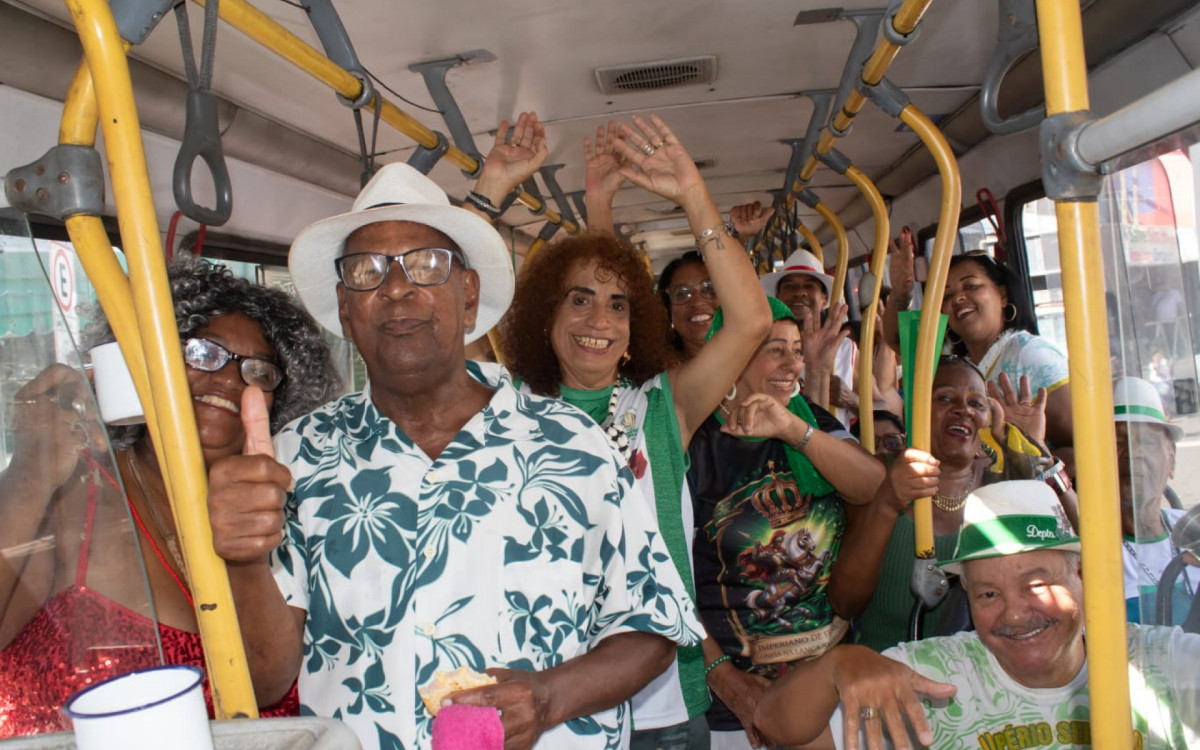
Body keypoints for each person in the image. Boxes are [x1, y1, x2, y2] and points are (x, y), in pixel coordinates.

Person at [206, 160, 702, 750]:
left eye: (426, 265)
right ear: (344, 309)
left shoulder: (575, 445)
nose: (395, 288)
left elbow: (651, 629)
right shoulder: (297, 458)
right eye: (366, 271)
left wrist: (547, 699)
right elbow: (266, 681)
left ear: (468, 298)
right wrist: (241, 561)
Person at [501, 115, 771, 749]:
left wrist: (692, 197)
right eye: (579, 301)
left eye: (620, 305)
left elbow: (751, 321)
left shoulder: (660, 409)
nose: (600, 319)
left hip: (662, 708)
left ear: (636, 328)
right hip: (550, 703)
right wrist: (582, 204)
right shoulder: (510, 415)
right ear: (546, 316)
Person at [0, 256, 340, 736]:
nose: (229, 377)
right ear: (146, 364)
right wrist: (30, 473)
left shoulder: (280, 507)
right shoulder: (76, 491)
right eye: (203, 353)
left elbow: (266, 683)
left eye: (259, 372)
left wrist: (247, 559)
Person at [754, 480, 1200, 750]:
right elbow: (776, 725)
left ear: (1080, 574)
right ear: (965, 595)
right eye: (988, 593)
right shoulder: (930, 678)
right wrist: (838, 665)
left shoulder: (1160, 664)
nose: (1016, 614)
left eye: (1036, 584)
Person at [687, 297, 887, 749]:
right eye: (774, 349)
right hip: (738, 698)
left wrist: (791, 431)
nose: (793, 363)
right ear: (734, 354)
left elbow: (874, 487)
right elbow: (666, 579)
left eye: (797, 350)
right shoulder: (695, 443)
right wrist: (725, 679)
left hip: (830, 686)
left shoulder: (811, 423)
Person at [830, 357, 1074, 652]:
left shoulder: (1005, 480)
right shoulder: (876, 475)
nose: (964, 410)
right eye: (945, 398)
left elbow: (1092, 559)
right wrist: (886, 503)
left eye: (977, 404)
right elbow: (844, 602)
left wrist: (1037, 454)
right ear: (913, 411)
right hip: (887, 674)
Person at [885, 236, 1073, 454]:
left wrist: (1030, 460)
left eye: (971, 286)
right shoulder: (956, 363)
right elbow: (898, 341)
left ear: (1003, 296)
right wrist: (900, 293)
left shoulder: (1029, 354)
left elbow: (1080, 449)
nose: (958, 299)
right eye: (947, 295)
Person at [1113, 376, 1196, 626]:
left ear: (1171, 458)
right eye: (1116, 443)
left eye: (1147, 442)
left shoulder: (1193, 531)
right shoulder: (1085, 551)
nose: (1132, 454)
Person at [760, 248, 857, 426]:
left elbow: (883, 406)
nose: (800, 292)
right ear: (778, 297)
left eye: (809, 286)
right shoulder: (760, 347)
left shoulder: (844, 349)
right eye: (790, 286)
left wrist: (850, 399)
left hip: (837, 446)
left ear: (823, 298)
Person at [658, 251, 718, 363]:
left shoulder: (755, 363)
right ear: (668, 310)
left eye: (709, 289)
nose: (697, 302)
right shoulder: (660, 376)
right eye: (681, 294)